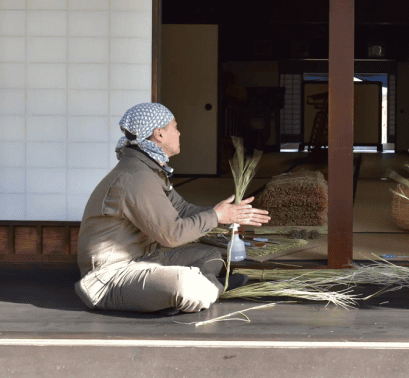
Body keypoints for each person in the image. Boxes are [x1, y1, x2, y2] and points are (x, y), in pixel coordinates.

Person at [75, 103, 270, 314]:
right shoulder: (136, 178)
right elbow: (172, 235)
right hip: (111, 276)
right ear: (159, 134)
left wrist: (227, 214)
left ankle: (167, 298)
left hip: (145, 259)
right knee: (185, 285)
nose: (179, 132)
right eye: (175, 126)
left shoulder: (148, 169)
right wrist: (215, 216)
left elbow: (182, 209)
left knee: (211, 256)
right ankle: (201, 289)